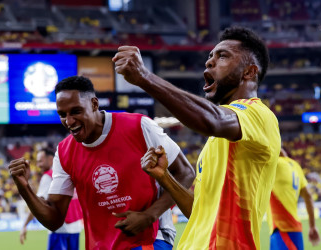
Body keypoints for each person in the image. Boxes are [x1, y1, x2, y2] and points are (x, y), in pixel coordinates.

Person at [113, 26, 281, 249]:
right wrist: (165, 177)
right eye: (210, 56)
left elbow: (212, 119)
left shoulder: (259, 115)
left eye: (222, 56)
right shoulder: (220, 138)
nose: (209, 62)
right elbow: (199, 210)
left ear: (249, 72)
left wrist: (145, 77)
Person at [8, 76, 195, 250]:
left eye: (76, 111)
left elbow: (185, 172)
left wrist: (150, 215)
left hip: (150, 239)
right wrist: (25, 188)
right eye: (62, 114)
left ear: (94, 104)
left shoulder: (139, 126)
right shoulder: (64, 152)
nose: (69, 121)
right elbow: (55, 219)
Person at [19, 147, 83, 250]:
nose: (38, 165)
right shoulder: (69, 172)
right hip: (76, 228)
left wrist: (24, 225)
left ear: (50, 159)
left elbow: (37, 204)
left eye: (40, 161)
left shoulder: (48, 176)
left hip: (59, 229)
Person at [267, 147, 321, 250]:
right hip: (293, 231)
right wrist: (312, 226)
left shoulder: (276, 164)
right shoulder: (296, 166)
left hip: (283, 229)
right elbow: (308, 196)